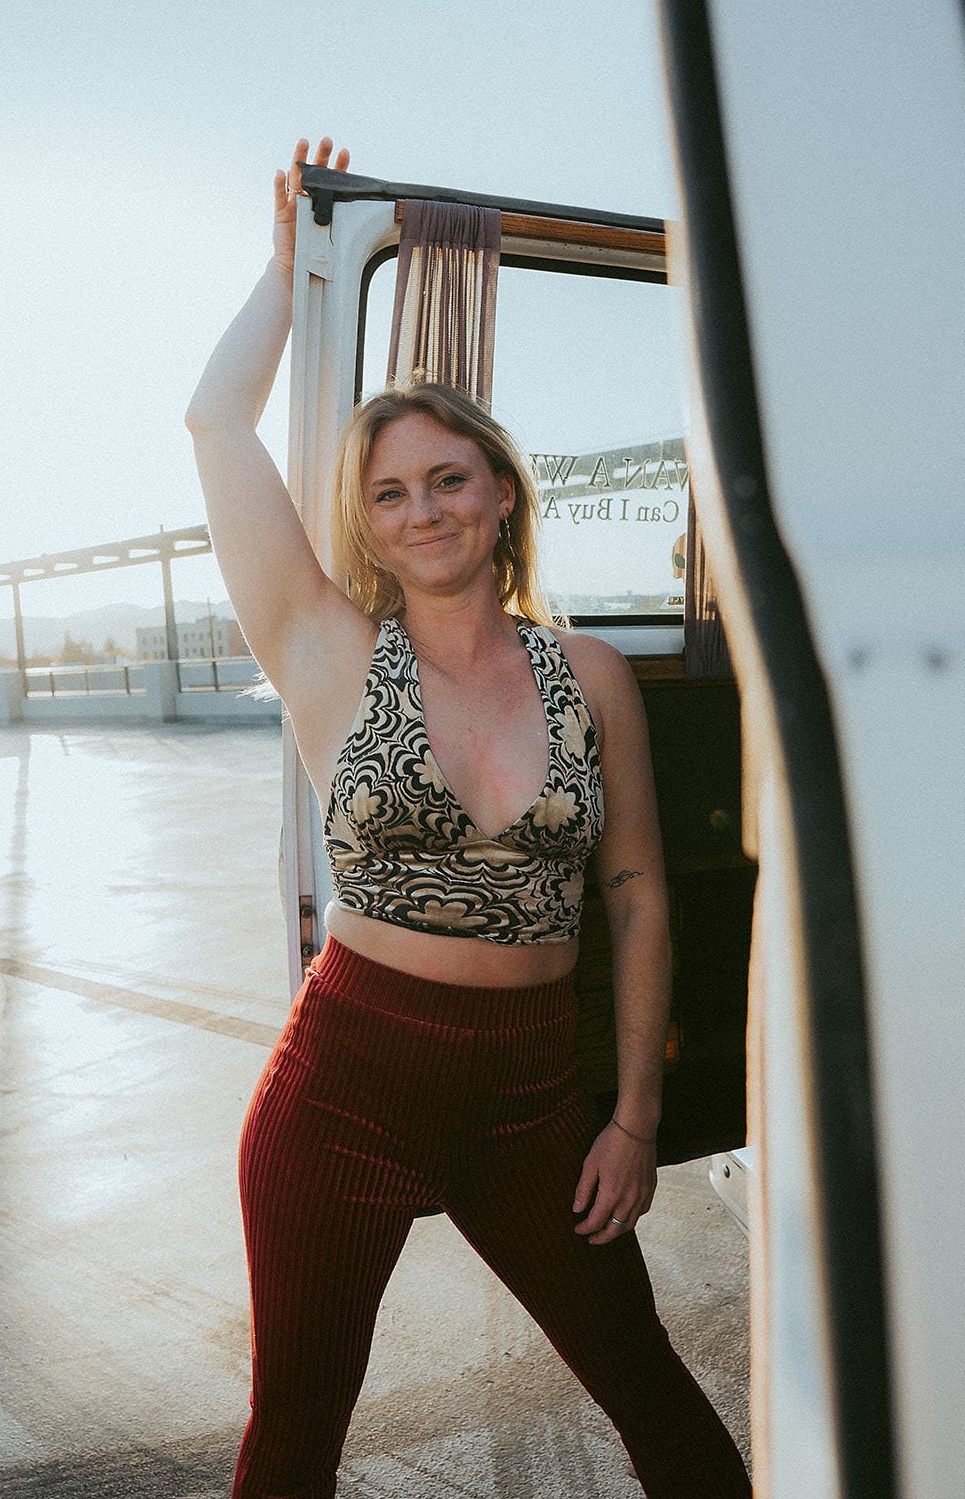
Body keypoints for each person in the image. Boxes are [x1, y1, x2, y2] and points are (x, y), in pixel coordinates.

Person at [184, 135, 752, 1499]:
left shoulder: (591, 677)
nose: (423, 508)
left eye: (450, 478)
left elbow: (634, 896)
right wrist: (282, 272)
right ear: (368, 529)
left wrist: (631, 1115)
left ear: (500, 491)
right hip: (346, 1088)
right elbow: (216, 425)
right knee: (294, 1445)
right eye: (390, 493)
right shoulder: (325, 650)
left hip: (531, 1099)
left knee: (665, 1415)